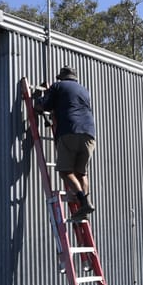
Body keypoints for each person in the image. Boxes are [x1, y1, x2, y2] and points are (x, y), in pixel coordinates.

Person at [35, 66, 96, 220]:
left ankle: (84, 202)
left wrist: (38, 100)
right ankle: (85, 203)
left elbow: (46, 105)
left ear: (62, 77)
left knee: (65, 171)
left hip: (69, 131)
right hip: (89, 134)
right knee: (81, 173)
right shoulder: (84, 90)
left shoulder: (58, 86)